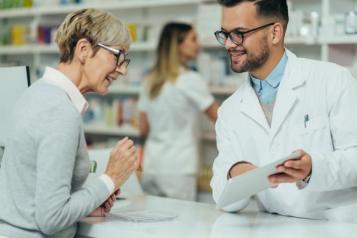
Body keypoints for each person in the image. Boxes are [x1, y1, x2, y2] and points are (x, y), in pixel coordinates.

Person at [210, 0, 357, 220]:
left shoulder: (332, 80)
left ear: (275, 33)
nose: (229, 45)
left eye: (239, 33)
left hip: (334, 227)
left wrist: (312, 169)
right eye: (225, 34)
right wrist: (236, 173)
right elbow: (222, 198)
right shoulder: (229, 110)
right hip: (274, 227)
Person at [0, 8, 139, 237]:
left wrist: (87, 204)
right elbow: (51, 219)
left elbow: (33, 197)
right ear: (83, 50)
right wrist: (110, 179)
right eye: (118, 56)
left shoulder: (37, 92)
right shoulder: (59, 111)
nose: (122, 70)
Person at [138, 22, 219, 201]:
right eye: (193, 39)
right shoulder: (190, 79)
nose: (198, 44)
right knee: (180, 225)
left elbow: (143, 128)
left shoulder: (150, 80)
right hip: (179, 170)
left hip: (152, 166)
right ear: (178, 45)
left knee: (152, 225)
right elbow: (220, 118)